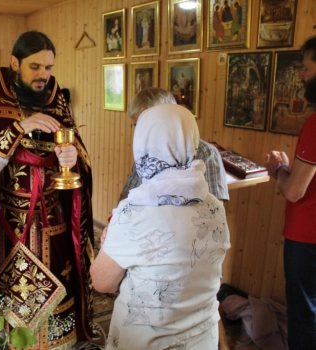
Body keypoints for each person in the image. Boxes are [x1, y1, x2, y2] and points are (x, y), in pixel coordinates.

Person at [0, 31, 97, 349]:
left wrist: (71, 159)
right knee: (12, 319)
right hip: (7, 229)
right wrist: (17, 130)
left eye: (48, 67)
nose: (44, 75)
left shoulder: (56, 101)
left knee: (59, 307)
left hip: (53, 225)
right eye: (35, 67)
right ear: (15, 63)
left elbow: (73, 158)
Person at [90, 103, 231, 349]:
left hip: (149, 341)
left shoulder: (135, 212)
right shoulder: (213, 205)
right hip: (202, 337)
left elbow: (102, 282)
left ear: (143, 143)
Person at [264, 36, 316, 350]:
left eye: (306, 67)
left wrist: (278, 171)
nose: (300, 75)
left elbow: (295, 191)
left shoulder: (314, 124)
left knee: (304, 314)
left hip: (307, 236)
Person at [119, 88, 229, 203]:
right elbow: (126, 196)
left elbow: (214, 209)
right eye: (139, 126)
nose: (143, 132)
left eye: (149, 124)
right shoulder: (146, 151)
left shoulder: (206, 153)